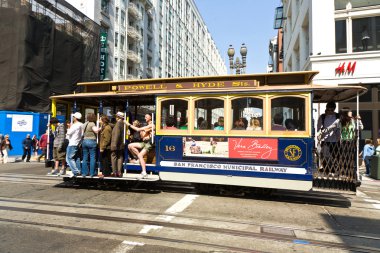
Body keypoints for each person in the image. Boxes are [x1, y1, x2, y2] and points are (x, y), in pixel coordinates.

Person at [126, 114, 154, 178]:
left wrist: (128, 124)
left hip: (149, 143)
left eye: (146, 117)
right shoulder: (147, 125)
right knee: (130, 146)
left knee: (140, 155)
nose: (145, 118)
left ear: (150, 117)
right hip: (144, 143)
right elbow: (142, 134)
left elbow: (138, 129)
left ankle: (144, 172)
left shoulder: (152, 125)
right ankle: (138, 159)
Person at [81, 113, 100, 177]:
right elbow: (96, 131)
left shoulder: (85, 124)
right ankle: (92, 173)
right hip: (91, 141)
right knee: (92, 158)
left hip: (84, 141)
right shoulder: (92, 124)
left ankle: (84, 173)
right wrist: (100, 128)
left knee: (85, 158)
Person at [65, 112, 83, 177]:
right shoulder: (81, 125)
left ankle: (76, 171)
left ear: (75, 118)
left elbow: (69, 133)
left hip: (72, 143)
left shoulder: (75, 125)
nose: (73, 118)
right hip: (78, 143)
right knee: (76, 158)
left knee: (68, 158)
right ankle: (79, 170)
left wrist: (69, 127)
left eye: (73, 117)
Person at [110, 112, 125, 177]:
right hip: (121, 144)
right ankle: (119, 172)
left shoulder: (118, 123)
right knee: (120, 157)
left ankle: (114, 172)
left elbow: (116, 134)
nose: (115, 118)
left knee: (113, 157)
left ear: (118, 117)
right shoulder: (122, 123)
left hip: (116, 144)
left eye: (116, 116)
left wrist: (114, 145)